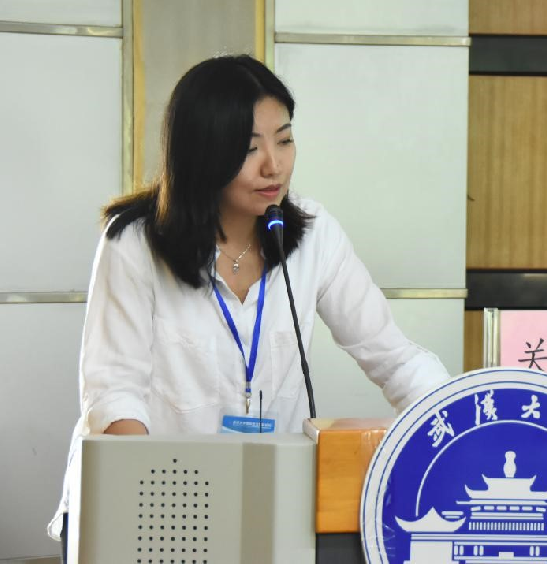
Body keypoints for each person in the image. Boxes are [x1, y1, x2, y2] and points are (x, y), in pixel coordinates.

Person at [48, 54, 451, 559]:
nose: (273, 165)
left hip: (265, 505)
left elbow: (393, 358)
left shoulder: (315, 235)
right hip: (152, 507)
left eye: (284, 140)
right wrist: (158, 502)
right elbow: (115, 398)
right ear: (203, 153)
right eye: (249, 148)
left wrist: (460, 428)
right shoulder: (133, 242)